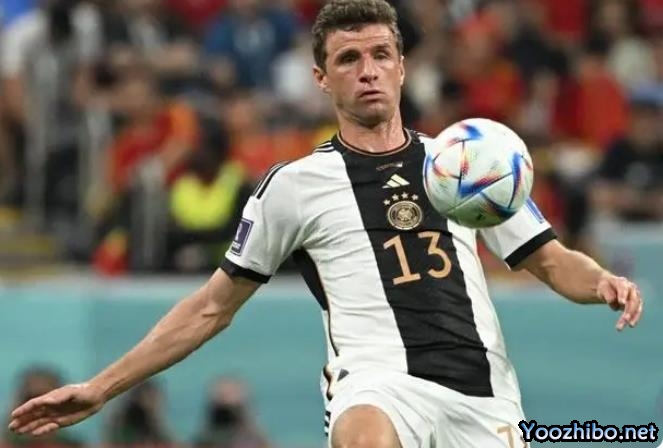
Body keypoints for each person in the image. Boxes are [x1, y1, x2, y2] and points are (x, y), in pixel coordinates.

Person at [7, 1, 644, 447]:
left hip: (485, 394)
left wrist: (602, 283)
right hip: (377, 382)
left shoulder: (463, 164)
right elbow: (211, 307)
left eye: (381, 54)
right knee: (364, 435)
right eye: (348, 59)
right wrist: (102, 387)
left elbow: (550, 259)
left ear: (401, 66)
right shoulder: (294, 186)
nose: (367, 70)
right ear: (321, 77)